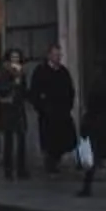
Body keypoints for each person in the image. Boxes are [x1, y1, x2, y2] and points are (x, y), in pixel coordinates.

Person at [28, 44, 78, 175]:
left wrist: (68, 105)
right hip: (48, 114)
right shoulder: (41, 71)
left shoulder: (63, 72)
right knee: (50, 141)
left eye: (59, 55)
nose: (58, 57)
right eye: (56, 54)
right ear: (49, 55)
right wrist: (41, 107)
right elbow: (35, 92)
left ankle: (56, 161)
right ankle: (50, 164)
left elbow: (70, 90)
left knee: (65, 140)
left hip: (62, 113)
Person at [0, 47, 30, 181]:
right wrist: (13, 84)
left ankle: (21, 169)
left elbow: (24, 90)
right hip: (8, 109)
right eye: (13, 57)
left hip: (19, 109)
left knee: (22, 139)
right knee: (9, 141)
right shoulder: (3, 72)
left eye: (17, 57)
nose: (15, 60)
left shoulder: (21, 73)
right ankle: (8, 169)